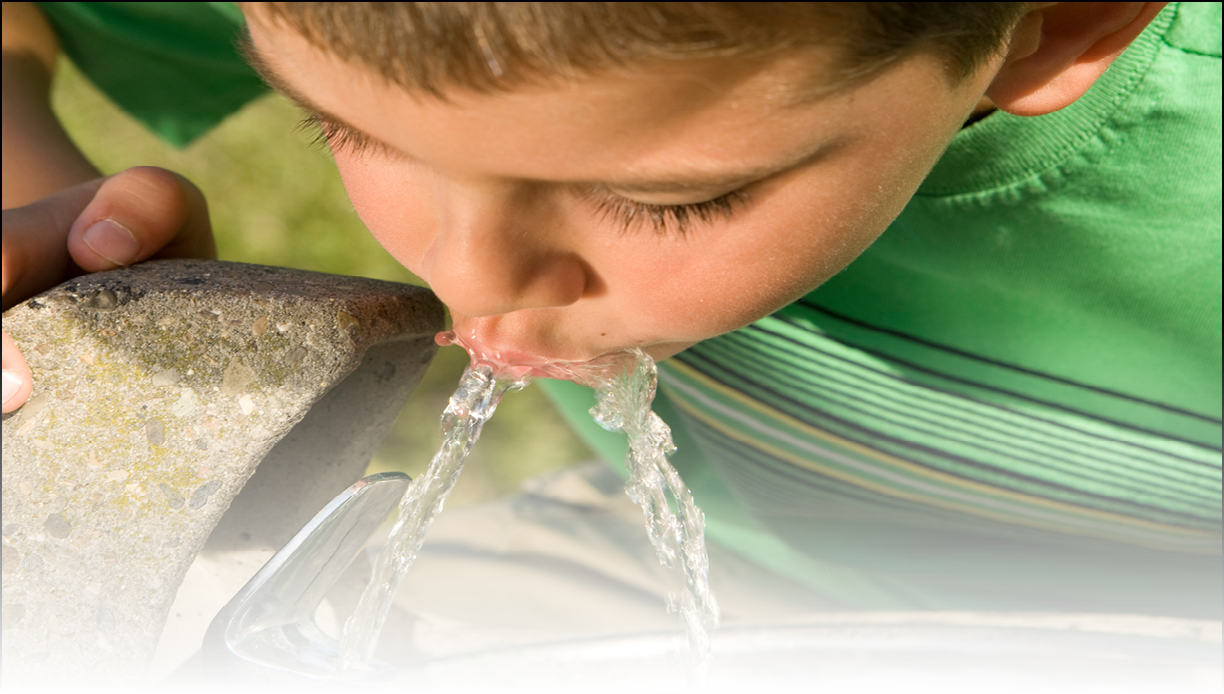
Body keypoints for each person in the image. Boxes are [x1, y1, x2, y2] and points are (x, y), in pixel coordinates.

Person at [3, 1, 1218, 630]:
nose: (476, 285)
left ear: (1055, 23)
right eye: (350, 127)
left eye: (665, 200)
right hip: (717, 566)